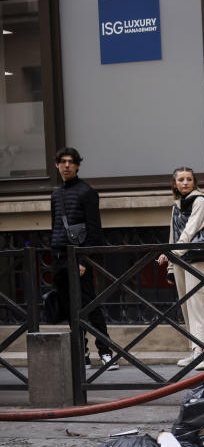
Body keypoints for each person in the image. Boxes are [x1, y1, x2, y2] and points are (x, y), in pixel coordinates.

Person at [49, 147, 118, 370]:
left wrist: (83, 260)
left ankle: (106, 352)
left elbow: (95, 231)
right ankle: (82, 352)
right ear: (57, 165)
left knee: (90, 304)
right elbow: (55, 226)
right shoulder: (56, 194)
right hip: (59, 255)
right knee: (69, 307)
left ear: (78, 165)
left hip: (78, 257)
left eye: (71, 162)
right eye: (63, 162)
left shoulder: (87, 192)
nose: (67, 165)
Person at [157, 167, 204, 370]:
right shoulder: (177, 205)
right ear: (175, 184)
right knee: (186, 306)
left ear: (194, 181)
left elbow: (190, 230)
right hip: (180, 259)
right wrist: (171, 266)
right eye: (181, 179)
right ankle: (195, 350)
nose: (185, 182)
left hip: (198, 258)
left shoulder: (200, 200)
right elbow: (174, 234)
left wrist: (172, 253)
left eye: (189, 179)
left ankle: (201, 354)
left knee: (197, 305)